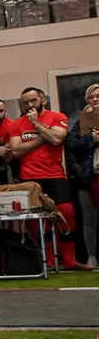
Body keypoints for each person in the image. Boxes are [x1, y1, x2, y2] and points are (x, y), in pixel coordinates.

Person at [8, 87, 88, 269]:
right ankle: (49, 260)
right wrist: (42, 137)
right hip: (29, 178)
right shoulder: (17, 124)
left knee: (66, 213)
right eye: (25, 102)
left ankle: (68, 260)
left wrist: (36, 125)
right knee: (36, 221)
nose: (30, 105)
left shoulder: (57, 117)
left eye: (33, 100)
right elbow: (16, 150)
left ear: (43, 100)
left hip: (55, 175)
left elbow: (57, 139)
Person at [64, 84, 99, 267]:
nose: (95, 99)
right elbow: (72, 145)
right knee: (89, 218)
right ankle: (91, 256)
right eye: (91, 97)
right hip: (89, 175)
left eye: (98, 96)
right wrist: (90, 140)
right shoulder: (85, 120)